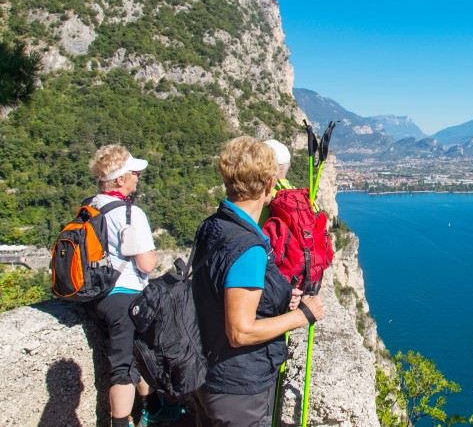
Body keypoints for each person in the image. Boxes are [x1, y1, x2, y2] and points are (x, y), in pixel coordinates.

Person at [192, 136, 325, 426]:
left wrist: (278, 296)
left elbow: (219, 291)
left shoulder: (213, 226)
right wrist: (302, 316)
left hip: (205, 371)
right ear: (269, 185)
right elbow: (241, 332)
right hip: (238, 387)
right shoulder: (248, 247)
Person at [84, 145, 182, 426]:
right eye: (133, 173)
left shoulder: (90, 207)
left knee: (139, 354)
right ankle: (120, 422)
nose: (138, 177)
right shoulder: (130, 213)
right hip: (125, 299)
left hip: (96, 297)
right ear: (119, 180)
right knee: (123, 368)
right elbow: (147, 264)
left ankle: (153, 406)